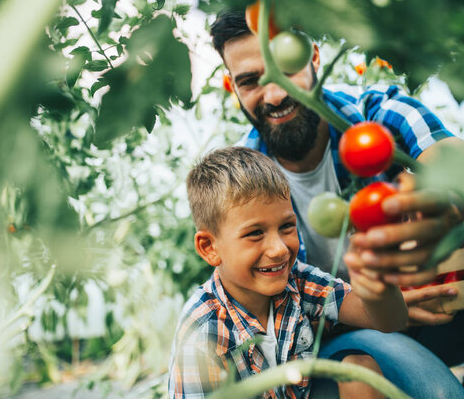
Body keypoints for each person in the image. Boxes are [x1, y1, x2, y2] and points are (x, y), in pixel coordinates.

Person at [209, 10, 464, 399]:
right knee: (439, 394)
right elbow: (265, 322)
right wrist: (380, 311)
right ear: (233, 87)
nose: (275, 93)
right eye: (250, 81)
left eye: (286, 69)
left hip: (447, 305)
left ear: (313, 57)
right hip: (354, 336)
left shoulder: (375, 115)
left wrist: (444, 201)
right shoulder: (243, 181)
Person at [168, 146, 408, 399]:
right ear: (209, 248)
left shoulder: (297, 280)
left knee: (360, 371)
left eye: (286, 226)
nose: (280, 249)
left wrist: (378, 277)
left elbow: (389, 320)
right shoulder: (202, 334)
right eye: (255, 233)